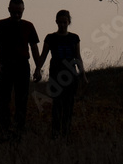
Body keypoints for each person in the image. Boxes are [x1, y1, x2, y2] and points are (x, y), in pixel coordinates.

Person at [0, 0, 41, 141]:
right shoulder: (1, 24)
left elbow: (34, 47)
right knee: (4, 99)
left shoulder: (29, 26)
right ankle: (4, 128)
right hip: (5, 65)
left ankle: (19, 128)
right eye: (14, 12)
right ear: (9, 10)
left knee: (22, 99)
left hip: (22, 65)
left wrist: (38, 68)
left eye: (19, 12)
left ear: (23, 10)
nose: (17, 15)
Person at [34, 9, 88, 139]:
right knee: (57, 105)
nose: (62, 25)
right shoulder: (50, 38)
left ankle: (66, 132)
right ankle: (56, 133)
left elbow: (78, 57)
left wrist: (83, 76)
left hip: (71, 76)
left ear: (69, 22)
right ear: (56, 22)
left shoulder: (74, 38)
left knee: (69, 105)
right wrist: (37, 69)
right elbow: (43, 55)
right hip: (56, 76)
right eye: (60, 22)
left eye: (65, 22)